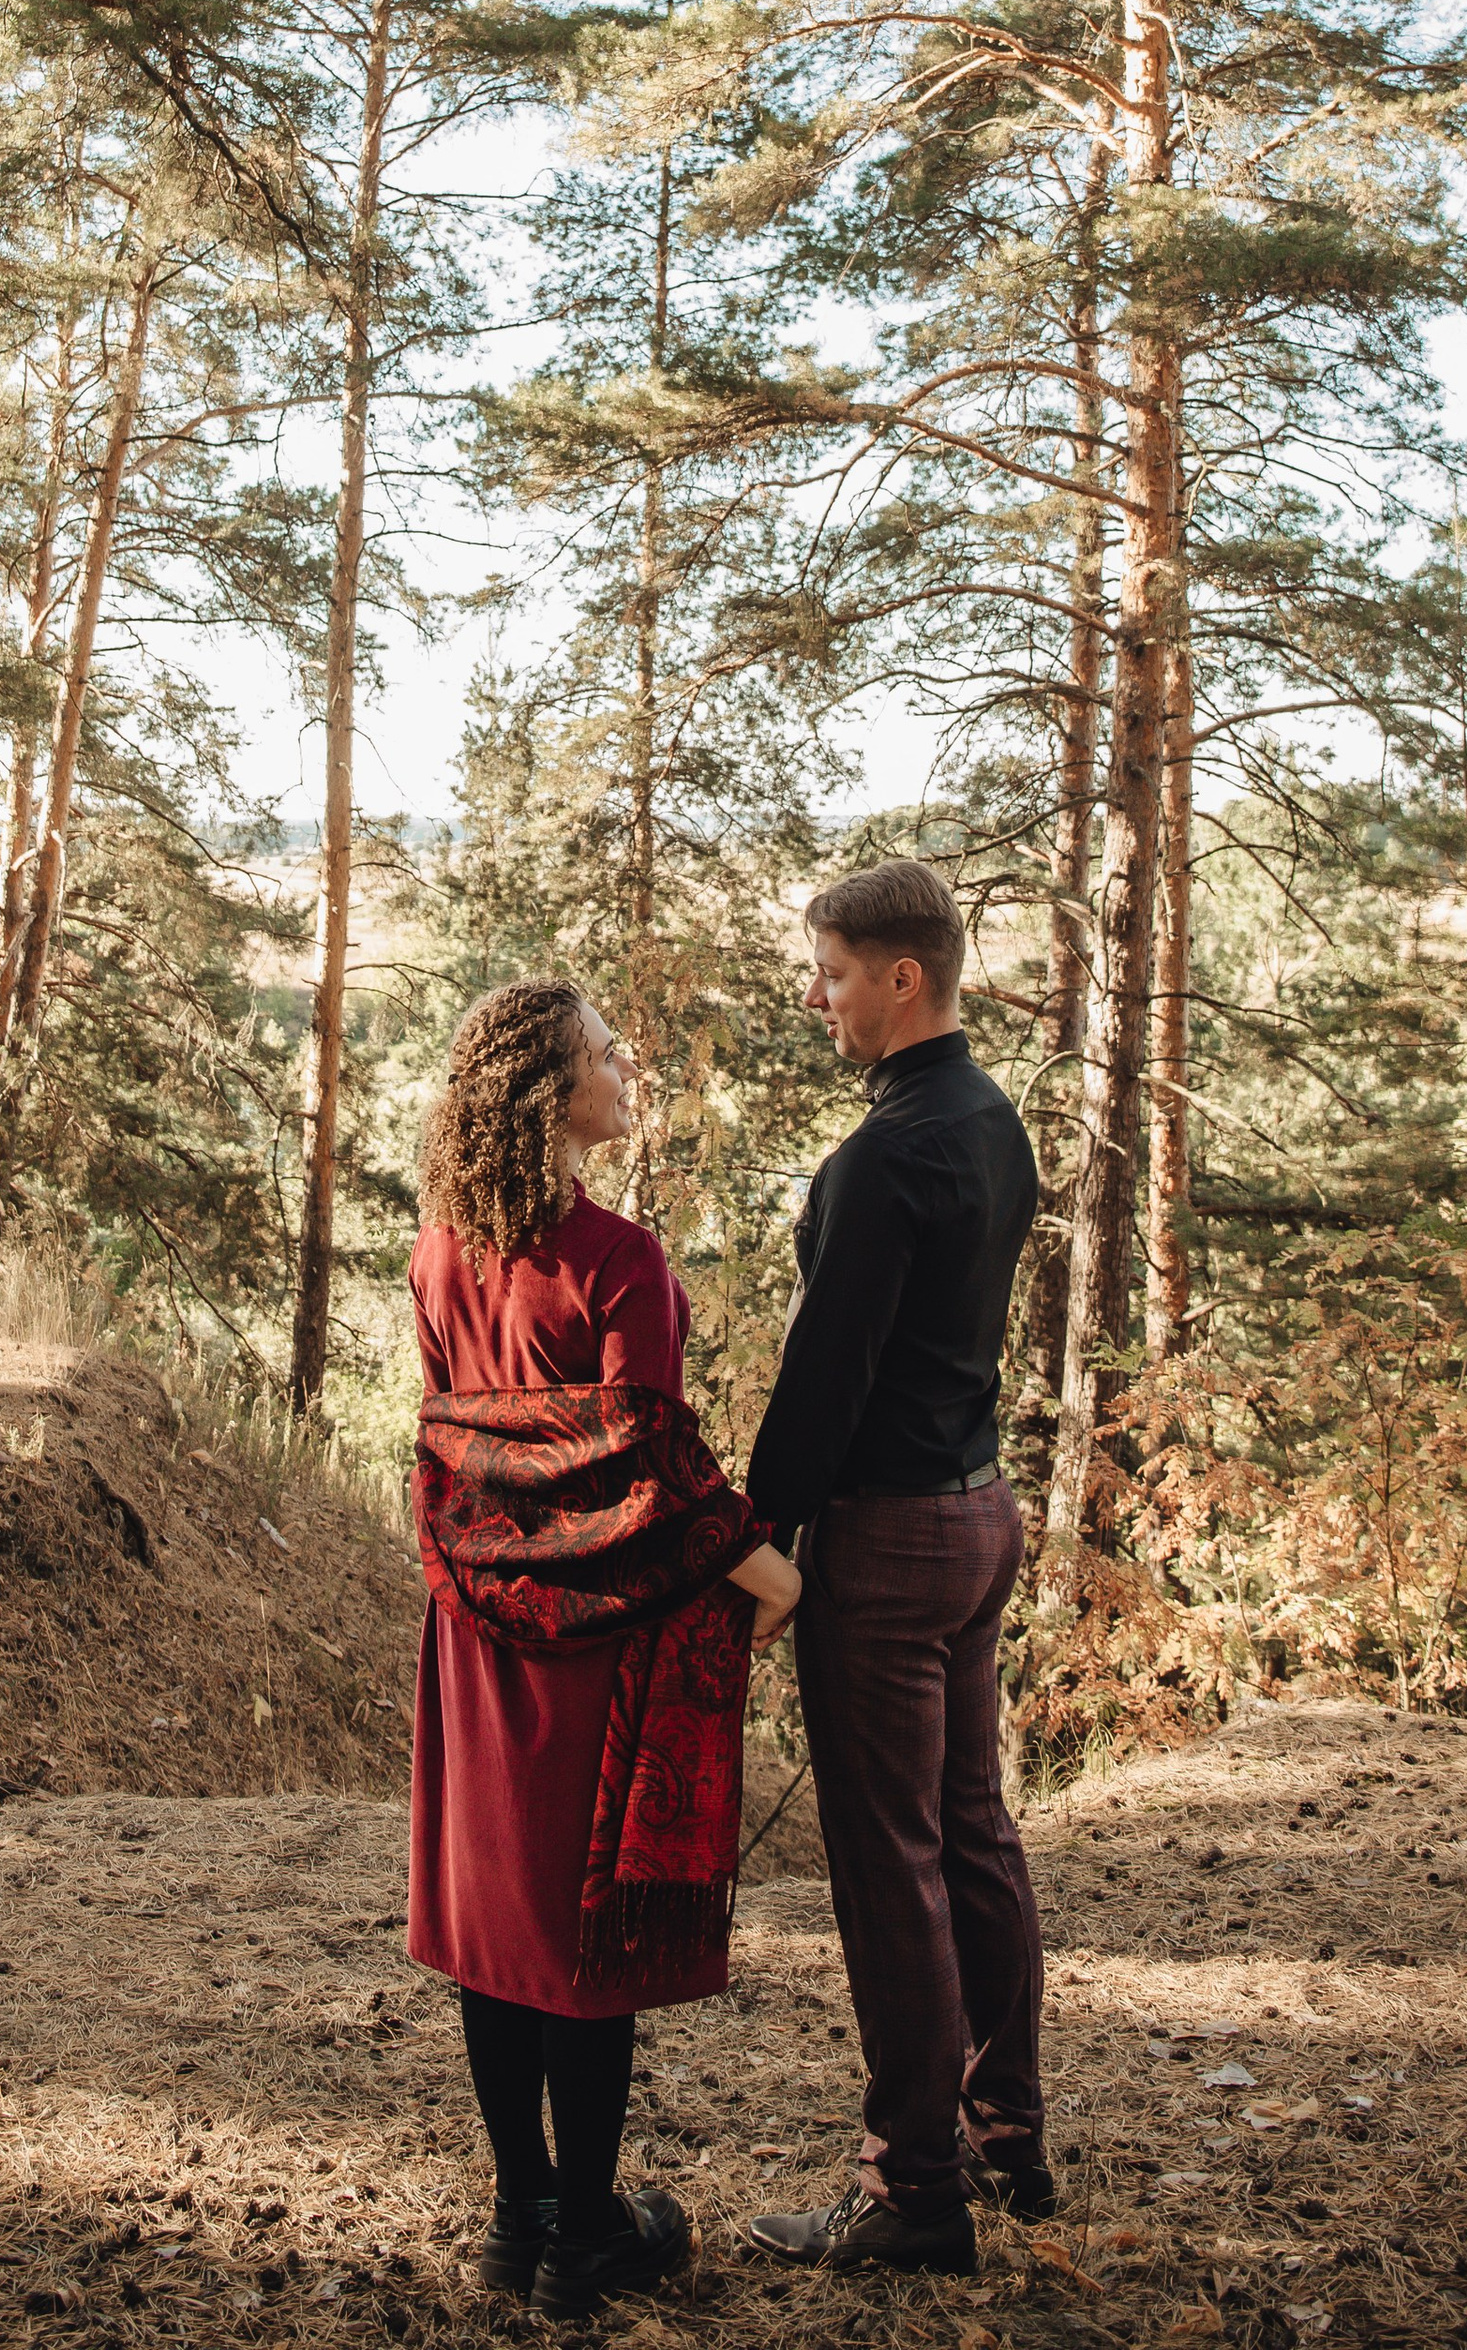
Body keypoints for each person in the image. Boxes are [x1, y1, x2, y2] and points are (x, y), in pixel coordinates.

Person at [408, 977, 801, 2322]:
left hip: (475, 1635)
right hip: (592, 1645)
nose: (625, 1064)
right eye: (598, 1053)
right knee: (579, 1933)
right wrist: (767, 1570)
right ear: (546, 1096)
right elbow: (644, 1462)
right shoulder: (619, 1259)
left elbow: (464, 1441)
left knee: (497, 1926)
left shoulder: (437, 1250)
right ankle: (587, 2231)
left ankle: (521, 2218)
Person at [741, 858, 1050, 2278]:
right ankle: (1007, 2133)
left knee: (892, 1866)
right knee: (973, 1831)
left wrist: (753, 1541)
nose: (821, 999)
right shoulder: (995, 1124)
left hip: (891, 1537)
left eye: (835, 974)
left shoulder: (884, 1158)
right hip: (983, 1518)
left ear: (903, 977)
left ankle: (913, 2190)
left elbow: (823, 1380)